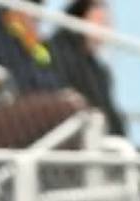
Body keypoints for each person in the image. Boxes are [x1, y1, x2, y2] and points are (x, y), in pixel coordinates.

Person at [47, 0, 126, 137]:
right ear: (80, 19)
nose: (106, 30)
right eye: (100, 23)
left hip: (105, 139)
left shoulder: (99, 70)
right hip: (77, 137)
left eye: (106, 23)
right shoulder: (56, 54)